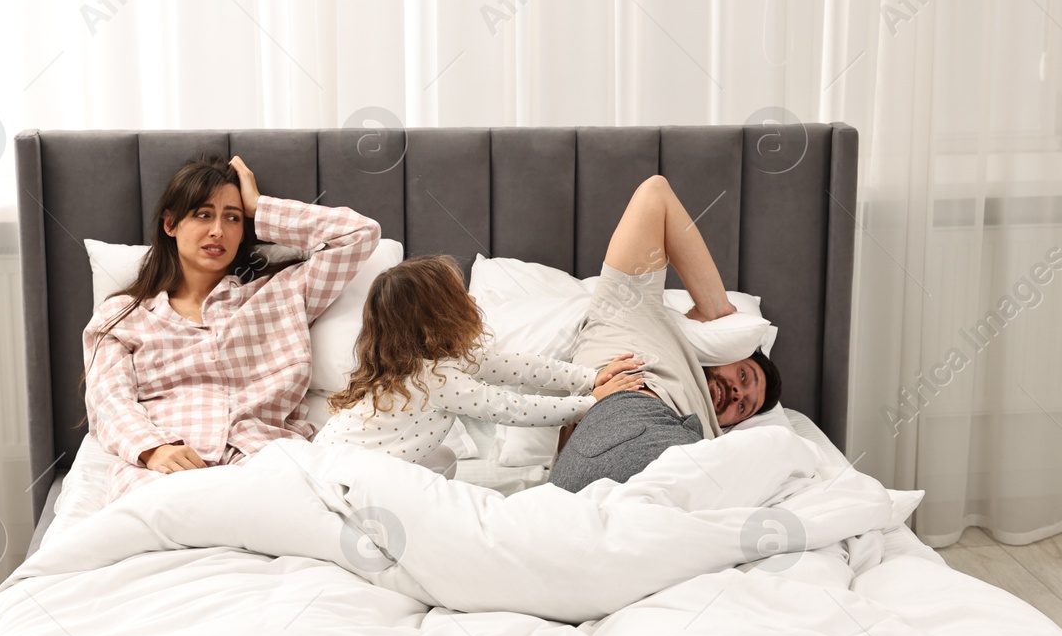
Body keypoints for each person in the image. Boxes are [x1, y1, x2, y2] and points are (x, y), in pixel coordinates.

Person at [82, 153, 380, 503]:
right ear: (170, 224)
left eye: (233, 218)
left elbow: (360, 234)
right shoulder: (120, 316)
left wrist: (260, 207)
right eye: (203, 214)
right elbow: (108, 401)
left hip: (266, 462)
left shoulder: (283, 294)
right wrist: (152, 449)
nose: (218, 231)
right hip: (165, 469)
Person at [550, 174, 782, 492]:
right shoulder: (631, 310)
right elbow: (654, 193)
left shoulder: (713, 439)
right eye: (744, 376)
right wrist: (716, 310)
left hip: (688, 449)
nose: (738, 395)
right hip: (624, 416)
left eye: (744, 408)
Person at [315, 255, 647, 475]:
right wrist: (589, 404)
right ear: (439, 318)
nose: (472, 300)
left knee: (441, 458)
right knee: (441, 460)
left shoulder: (435, 360)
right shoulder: (434, 379)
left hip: (338, 462)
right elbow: (512, 407)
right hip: (345, 475)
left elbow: (519, 367)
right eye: (461, 297)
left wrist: (590, 377)